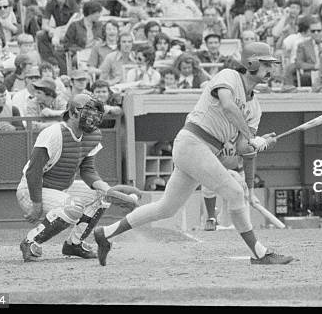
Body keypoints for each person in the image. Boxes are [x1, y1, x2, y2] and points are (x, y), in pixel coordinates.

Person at [93, 42, 293, 265]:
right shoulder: (229, 76)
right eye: (266, 64)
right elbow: (227, 106)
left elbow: (241, 148)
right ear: (251, 63)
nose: (270, 69)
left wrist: (260, 144)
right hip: (193, 142)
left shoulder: (255, 107)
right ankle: (259, 253)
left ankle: (106, 233)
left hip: (205, 150)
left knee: (166, 207)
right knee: (236, 192)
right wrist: (250, 135)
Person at [17, 94, 131, 261]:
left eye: (95, 115)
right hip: (31, 189)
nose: (92, 119)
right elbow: (33, 171)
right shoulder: (53, 133)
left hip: (61, 188)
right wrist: (36, 204)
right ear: (72, 113)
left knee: (101, 196)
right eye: (88, 113)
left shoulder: (93, 135)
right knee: (74, 207)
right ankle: (30, 241)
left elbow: (87, 170)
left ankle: (74, 244)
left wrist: (109, 190)